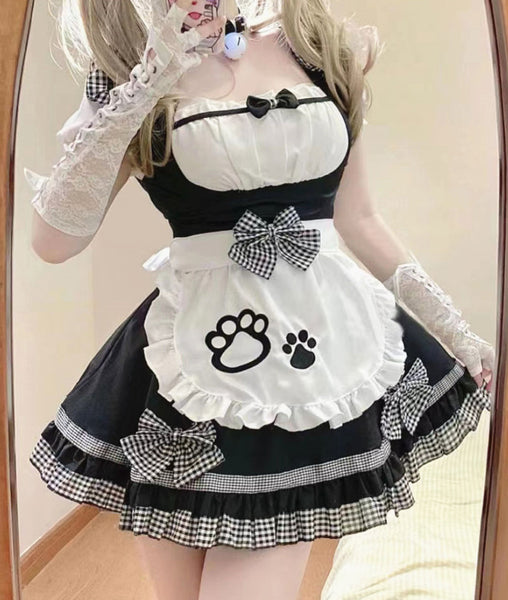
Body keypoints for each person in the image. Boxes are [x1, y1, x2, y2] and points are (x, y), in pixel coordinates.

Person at [27, 1, 495, 599]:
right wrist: (141, 88)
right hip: (184, 365)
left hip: (312, 346)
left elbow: (359, 219)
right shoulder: (127, 75)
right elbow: (54, 242)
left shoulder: (320, 49)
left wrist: (454, 332)